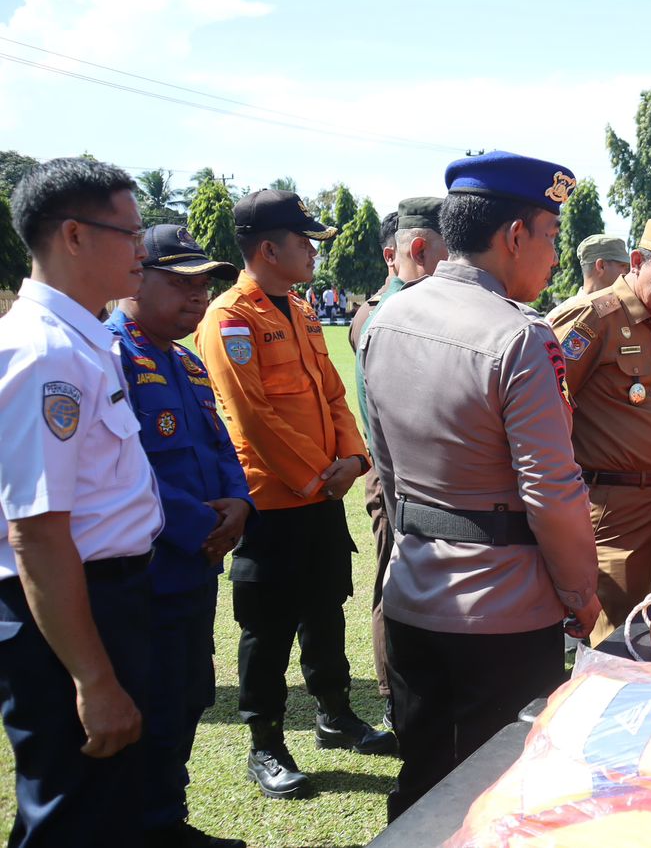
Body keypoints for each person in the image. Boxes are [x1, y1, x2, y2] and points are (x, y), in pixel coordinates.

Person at [363, 151, 601, 820]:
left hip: (412, 590)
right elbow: (551, 491)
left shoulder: (385, 321)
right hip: (502, 608)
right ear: (514, 236)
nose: (555, 257)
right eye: (550, 236)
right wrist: (581, 595)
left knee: (422, 776)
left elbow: (387, 464)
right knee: (495, 794)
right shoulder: (519, 337)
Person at [196, 189, 394, 802]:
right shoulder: (230, 317)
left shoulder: (303, 311)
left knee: (325, 608)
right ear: (267, 248)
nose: (313, 252)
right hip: (273, 503)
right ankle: (266, 743)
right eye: (303, 242)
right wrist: (317, 475)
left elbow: (334, 392)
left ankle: (335, 715)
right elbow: (249, 414)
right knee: (267, 626)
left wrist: (354, 459)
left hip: (322, 497)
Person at [0, 158, 163, 847]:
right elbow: (36, 533)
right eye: (130, 234)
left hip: (104, 600)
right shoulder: (47, 355)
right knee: (73, 817)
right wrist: (93, 680)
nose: (142, 250)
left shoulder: (79, 340)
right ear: (73, 235)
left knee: (108, 807)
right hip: (72, 613)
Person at [106, 224, 253, 848]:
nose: (197, 297)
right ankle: (144, 825)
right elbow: (126, 468)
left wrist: (240, 504)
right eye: (180, 283)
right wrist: (202, 527)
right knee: (153, 701)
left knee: (190, 693)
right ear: (134, 278)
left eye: (203, 286)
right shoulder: (112, 357)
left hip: (195, 568)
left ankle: (166, 818)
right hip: (147, 573)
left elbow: (222, 447)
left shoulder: (187, 362)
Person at [550, 219, 651, 641]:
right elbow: (538, 411)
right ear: (637, 261)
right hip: (615, 512)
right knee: (613, 638)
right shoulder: (594, 317)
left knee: (648, 631)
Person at [347, 198, 446, 727]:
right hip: (397, 478)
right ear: (420, 250)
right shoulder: (391, 315)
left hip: (417, 477)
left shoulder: (407, 308)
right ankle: (395, 699)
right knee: (395, 583)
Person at [550, 234, 631, 320]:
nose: (628, 273)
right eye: (623, 266)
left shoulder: (626, 313)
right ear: (601, 266)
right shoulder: (561, 317)